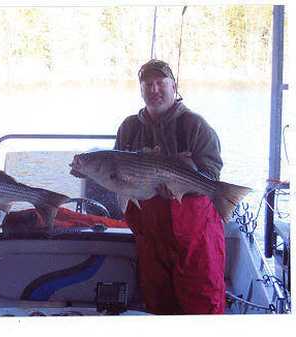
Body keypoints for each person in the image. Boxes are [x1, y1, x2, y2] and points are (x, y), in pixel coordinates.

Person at [114, 59, 225, 314]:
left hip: (195, 240)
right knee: (159, 310)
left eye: (160, 83)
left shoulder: (195, 125)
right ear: (141, 90)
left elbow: (211, 173)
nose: (154, 90)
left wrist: (180, 184)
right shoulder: (128, 127)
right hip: (151, 240)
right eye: (147, 85)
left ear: (173, 86)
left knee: (202, 308)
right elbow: (117, 174)